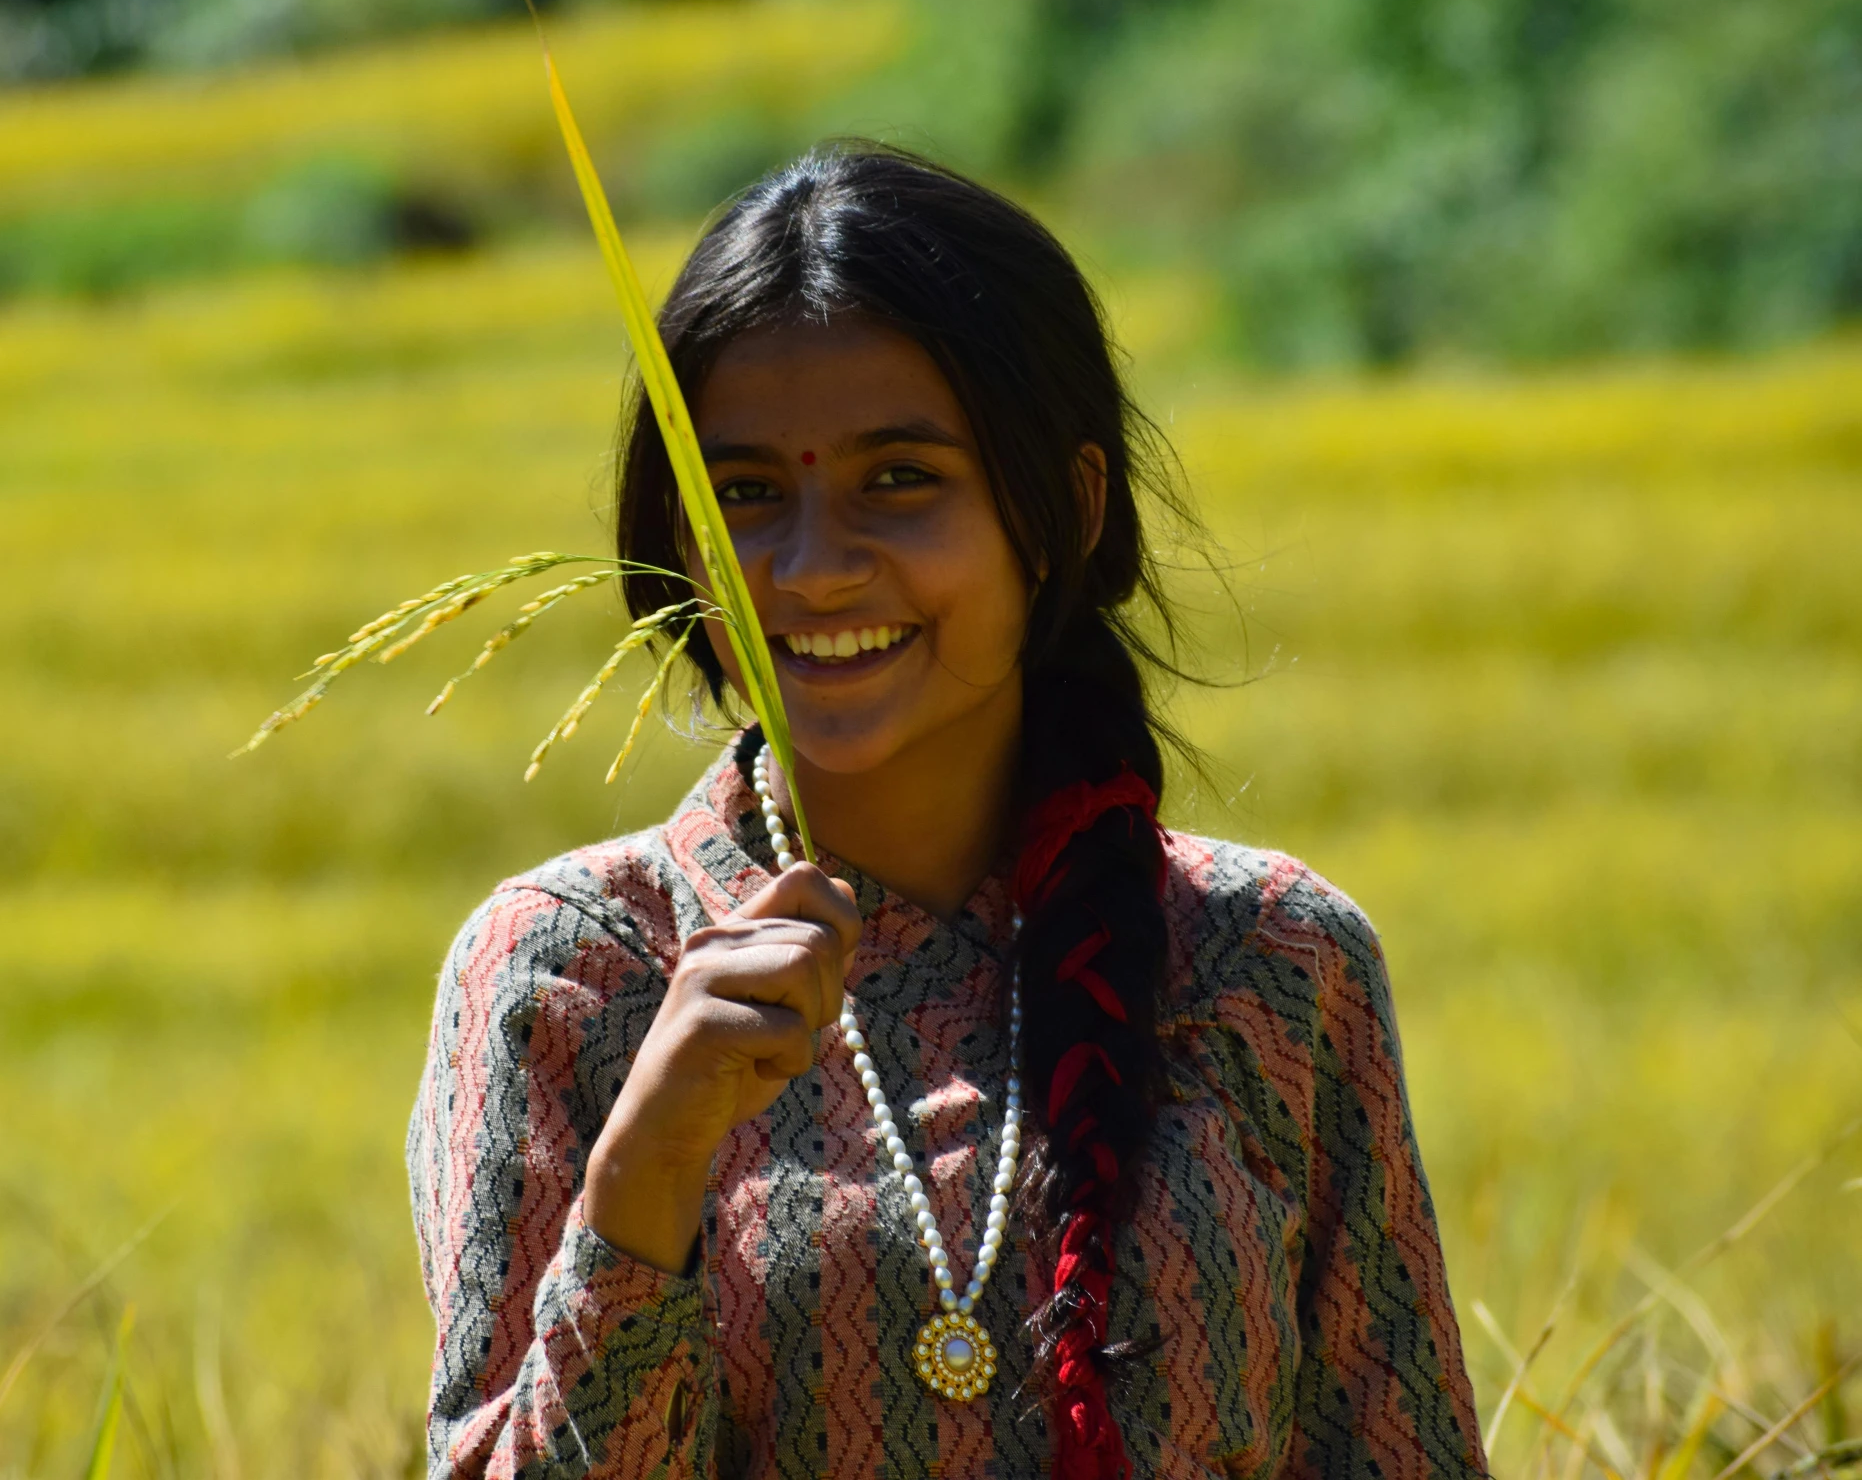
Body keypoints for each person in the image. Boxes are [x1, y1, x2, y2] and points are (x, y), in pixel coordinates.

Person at [407, 145, 1486, 1480]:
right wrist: (651, 1161)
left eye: (899, 479)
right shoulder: (569, 970)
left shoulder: (1272, 960)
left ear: (1064, 510)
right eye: (745, 494)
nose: (809, 565)